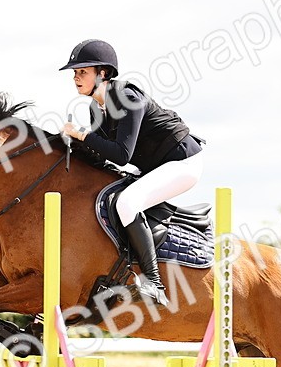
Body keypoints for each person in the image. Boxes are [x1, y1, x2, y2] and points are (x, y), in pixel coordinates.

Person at [59, 39, 204, 305]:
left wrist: (81, 134)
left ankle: (154, 283)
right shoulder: (96, 108)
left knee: (127, 202)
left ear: (103, 73)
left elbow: (121, 155)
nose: (76, 78)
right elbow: (100, 153)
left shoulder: (127, 97)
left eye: (82, 72)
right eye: (75, 73)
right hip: (156, 167)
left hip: (183, 163)